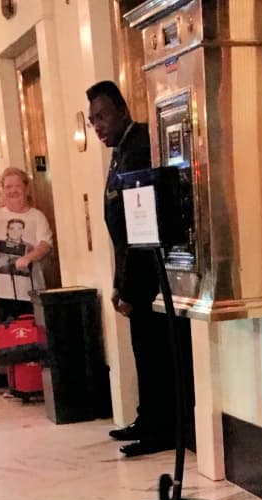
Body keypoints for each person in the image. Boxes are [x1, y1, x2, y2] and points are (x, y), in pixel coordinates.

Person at [86, 79, 176, 457]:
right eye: (92, 121)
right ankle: (146, 418)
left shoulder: (139, 146)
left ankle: (161, 429)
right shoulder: (121, 150)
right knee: (143, 353)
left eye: (103, 116)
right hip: (132, 274)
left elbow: (139, 228)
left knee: (154, 356)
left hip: (148, 276)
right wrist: (117, 283)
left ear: (123, 110)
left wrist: (129, 286)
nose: (98, 126)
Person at [0, 167, 52, 323]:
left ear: (26, 189)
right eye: (8, 187)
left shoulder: (37, 216)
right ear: (2, 190)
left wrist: (29, 257)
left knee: (33, 339)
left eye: (17, 186)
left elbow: (45, 244)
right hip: (3, 294)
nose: (13, 191)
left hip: (31, 293)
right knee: (8, 341)